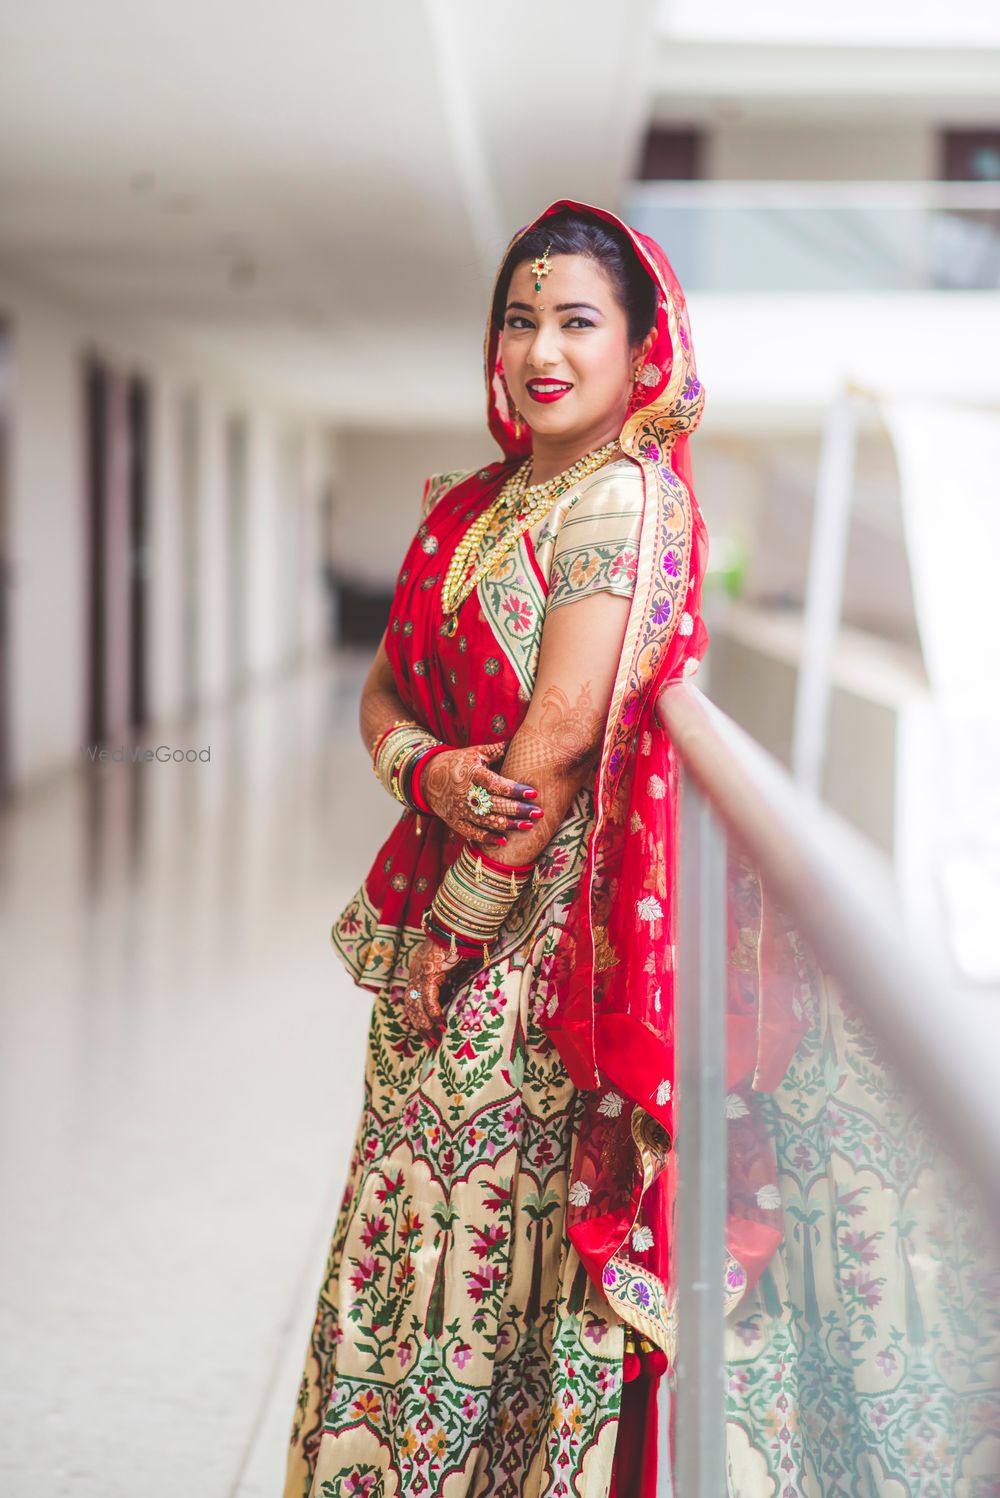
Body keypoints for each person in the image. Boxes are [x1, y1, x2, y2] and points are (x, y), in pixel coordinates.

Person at [282, 198, 711, 1498]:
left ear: (641, 346)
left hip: (535, 954)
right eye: (520, 320)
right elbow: (380, 693)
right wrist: (425, 768)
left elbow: (564, 735)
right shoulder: (476, 502)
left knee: (486, 1248)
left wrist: (454, 932)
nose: (541, 350)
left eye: (577, 321)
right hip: (447, 930)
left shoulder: (622, 498)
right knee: (403, 1225)